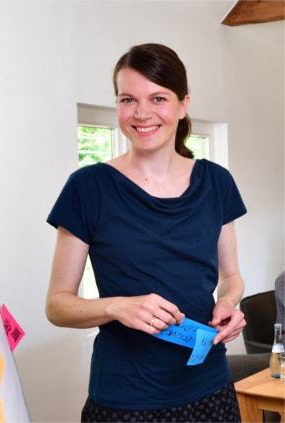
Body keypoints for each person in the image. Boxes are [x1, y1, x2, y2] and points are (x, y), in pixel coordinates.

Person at [45, 43, 247, 422]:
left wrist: (229, 303)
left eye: (158, 98)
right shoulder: (88, 188)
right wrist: (115, 306)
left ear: (183, 104)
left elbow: (231, 275)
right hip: (126, 400)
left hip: (210, 387)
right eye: (127, 99)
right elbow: (57, 304)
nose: (141, 113)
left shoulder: (217, 182)